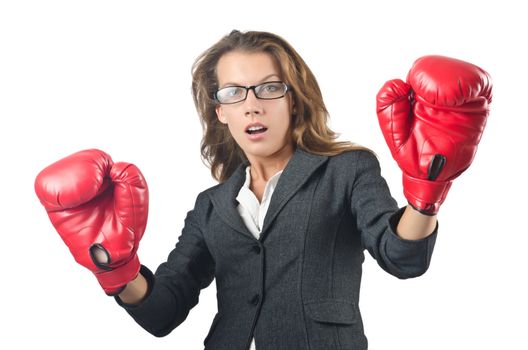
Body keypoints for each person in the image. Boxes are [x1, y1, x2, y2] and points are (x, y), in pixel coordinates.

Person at [34, 30, 492, 350]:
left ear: (293, 99)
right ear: (220, 112)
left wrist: (426, 188)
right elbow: (162, 313)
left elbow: (403, 258)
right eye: (234, 92)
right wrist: (115, 270)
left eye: (269, 88)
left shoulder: (347, 170)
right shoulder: (211, 206)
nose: (252, 104)